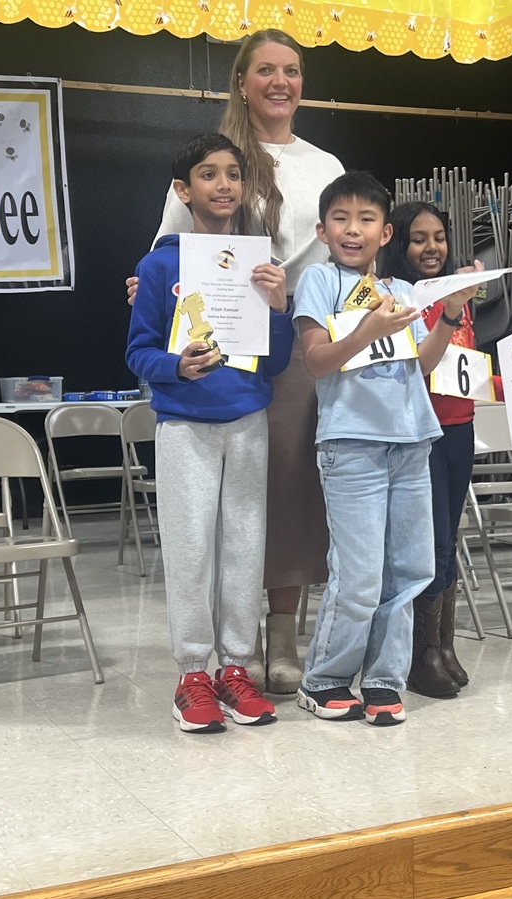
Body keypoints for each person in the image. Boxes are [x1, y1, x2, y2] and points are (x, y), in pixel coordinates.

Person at [127, 29, 344, 694]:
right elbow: (170, 251)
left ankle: (279, 639)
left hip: (294, 335)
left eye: (293, 71)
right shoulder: (218, 157)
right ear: (242, 83)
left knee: (288, 494)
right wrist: (143, 288)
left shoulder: (324, 163)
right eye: (266, 71)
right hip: (217, 357)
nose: (281, 82)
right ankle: (223, 650)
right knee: (217, 515)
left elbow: (346, 253)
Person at [293, 172, 486, 726]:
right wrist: (365, 331)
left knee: (412, 567)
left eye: (367, 219)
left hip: (412, 442)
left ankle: (383, 679)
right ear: (323, 231)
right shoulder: (317, 281)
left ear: (385, 233)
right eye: (341, 219)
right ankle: (325, 678)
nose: (353, 230)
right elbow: (315, 361)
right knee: (358, 572)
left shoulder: (401, 291)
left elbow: (422, 365)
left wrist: (450, 313)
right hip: (352, 444)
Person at [125, 132, 294, 733]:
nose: (222, 185)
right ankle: (192, 673)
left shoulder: (261, 265)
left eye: (232, 174)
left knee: (245, 546)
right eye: (207, 174)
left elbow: (275, 362)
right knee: (191, 546)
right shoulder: (159, 264)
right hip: (184, 426)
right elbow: (138, 351)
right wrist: (177, 365)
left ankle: (235, 668)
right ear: (182, 189)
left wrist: (276, 309)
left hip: (247, 421)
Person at [378, 202, 512, 699]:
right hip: (420, 433)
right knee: (427, 544)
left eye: (439, 237)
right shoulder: (399, 297)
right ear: (398, 245)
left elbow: (464, 372)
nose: (431, 247)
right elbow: (417, 368)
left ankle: (442, 644)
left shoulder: (461, 296)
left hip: (460, 430)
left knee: (447, 538)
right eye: (417, 238)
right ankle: (418, 654)